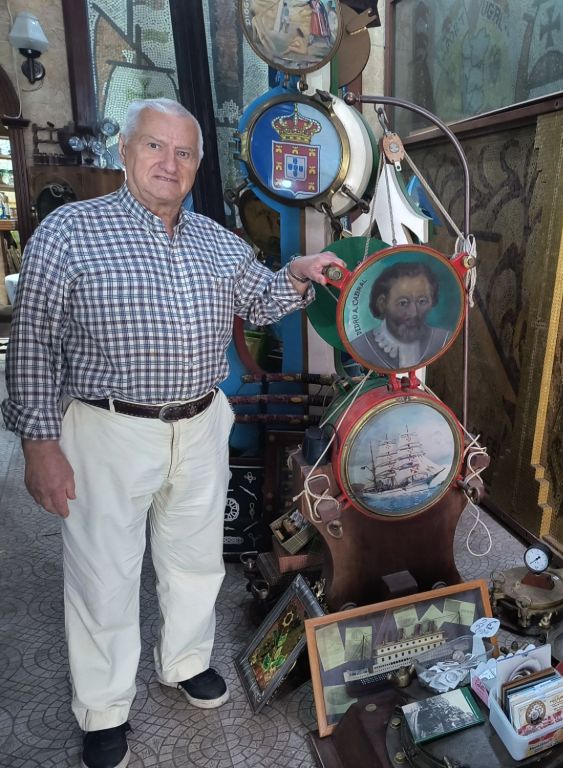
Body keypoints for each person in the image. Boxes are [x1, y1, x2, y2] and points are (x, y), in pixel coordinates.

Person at [1, 97, 346, 768]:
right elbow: (33, 344)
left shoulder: (217, 240)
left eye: (184, 152)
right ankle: (104, 708)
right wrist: (39, 444)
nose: (169, 162)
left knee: (195, 559)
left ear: (196, 165)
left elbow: (260, 298)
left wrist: (297, 276)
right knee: (104, 573)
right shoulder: (70, 232)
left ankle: (184, 661)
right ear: (125, 152)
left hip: (200, 423)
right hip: (108, 428)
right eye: (154, 146)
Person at [348, 260, 451, 370]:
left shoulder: (442, 339)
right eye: (403, 303)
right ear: (382, 304)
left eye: (422, 301)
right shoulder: (361, 346)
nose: (413, 313)